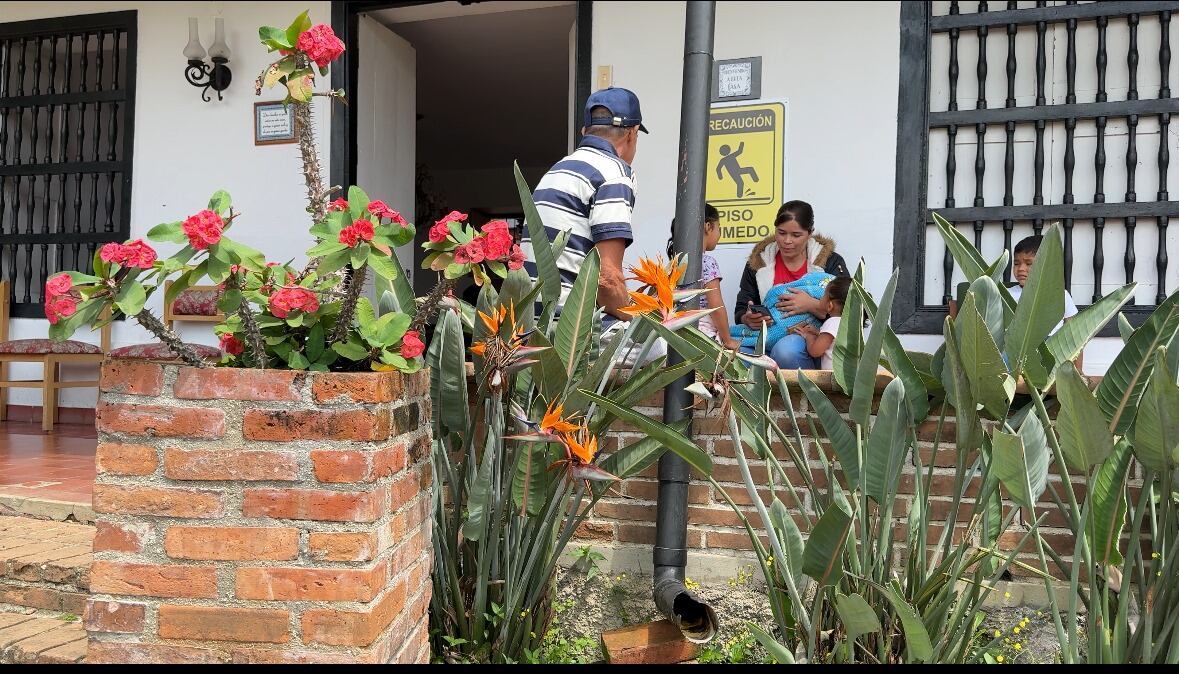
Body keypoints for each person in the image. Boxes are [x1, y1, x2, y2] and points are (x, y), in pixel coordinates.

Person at [521, 87, 647, 321]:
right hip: (571, 329)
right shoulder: (615, 173)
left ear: (585, 130)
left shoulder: (557, 170)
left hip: (531, 325)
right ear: (632, 133)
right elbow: (607, 280)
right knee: (663, 347)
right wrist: (636, 319)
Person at [734, 200, 850, 368]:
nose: (787, 241)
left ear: (809, 233)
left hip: (810, 340)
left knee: (786, 351)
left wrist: (812, 305)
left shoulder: (831, 262)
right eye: (781, 233)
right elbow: (741, 308)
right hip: (765, 339)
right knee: (734, 355)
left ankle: (805, 394)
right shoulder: (758, 262)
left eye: (796, 235)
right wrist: (749, 318)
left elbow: (849, 312)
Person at [667, 204, 741, 350]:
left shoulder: (672, 264)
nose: (719, 234)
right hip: (702, 336)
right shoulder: (707, 262)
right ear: (708, 227)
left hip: (674, 333)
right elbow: (716, 305)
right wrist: (728, 340)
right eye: (718, 227)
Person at [1011, 234, 1082, 370]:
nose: (1021, 269)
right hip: (1018, 357)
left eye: (1029, 263)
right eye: (1016, 263)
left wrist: (1078, 371)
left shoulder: (1060, 295)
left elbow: (1075, 336)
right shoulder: (1008, 295)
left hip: (1052, 355)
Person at [791, 276, 851, 370]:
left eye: (823, 295)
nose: (821, 298)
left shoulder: (832, 322)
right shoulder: (851, 324)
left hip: (832, 380)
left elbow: (815, 351)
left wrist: (809, 336)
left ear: (830, 305)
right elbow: (833, 342)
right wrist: (818, 332)